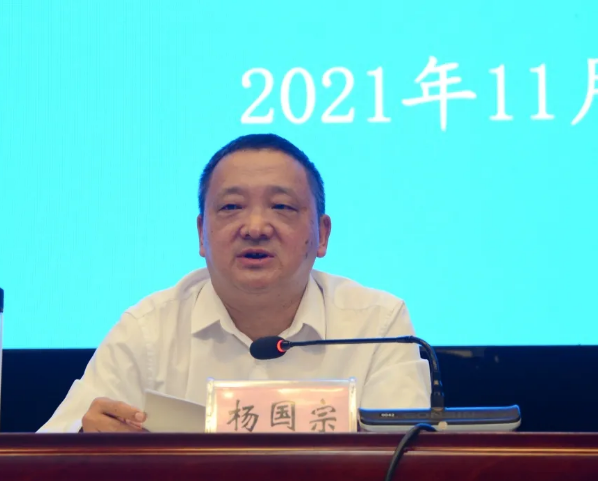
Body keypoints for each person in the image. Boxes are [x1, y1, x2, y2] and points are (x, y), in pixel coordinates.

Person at [38, 133, 430, 433]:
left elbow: (407, 467)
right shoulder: (148, 330)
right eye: (231, 207)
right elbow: (47, 455)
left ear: (322, 235)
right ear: (201, 235)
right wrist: (86, 440)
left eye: (281, 207)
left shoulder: (379, 325)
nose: (255, 227)